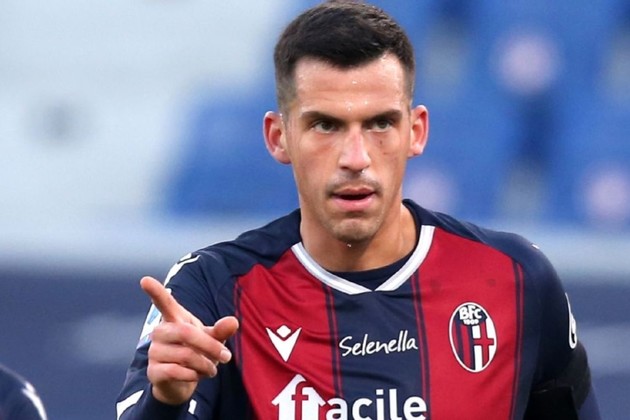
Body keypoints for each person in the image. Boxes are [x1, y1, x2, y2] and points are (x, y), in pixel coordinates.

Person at [116, 1, 600, 418]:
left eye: (380, 124)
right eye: (326, 125)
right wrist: (166, 402)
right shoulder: (211, 290)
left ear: (416, 132)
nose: (355, 158)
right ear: (279, 138)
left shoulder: (516, 280)